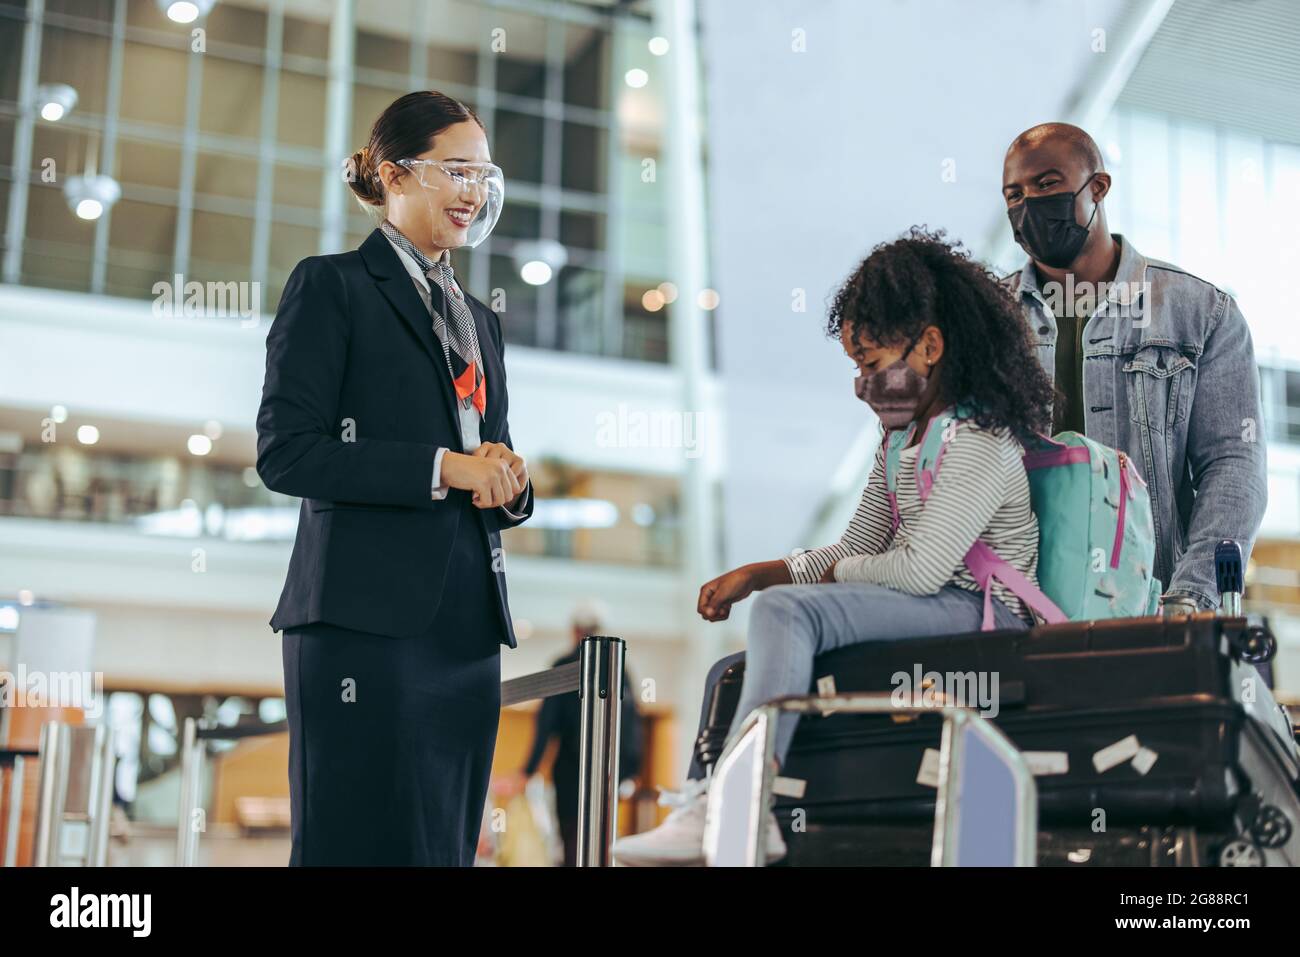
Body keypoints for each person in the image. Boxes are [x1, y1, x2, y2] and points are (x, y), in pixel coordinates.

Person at [612, 229, 1056, 866]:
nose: (863, 383)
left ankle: (739, 805)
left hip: (984, 614)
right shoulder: (902, 442)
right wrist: (765, 573)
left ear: (930, 346)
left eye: (872, 363)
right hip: (936, 605)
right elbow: (858, 546)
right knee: (729, 673)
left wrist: (796, 590)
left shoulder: (980, 440)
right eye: (857, 368)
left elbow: (921, 570)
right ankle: (711, 797)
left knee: (789, 614)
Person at [256, 91, 533, 866]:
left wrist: (509, 477)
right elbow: (288, 451)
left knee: (443, 850)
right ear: (394, 174)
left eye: (483, 175)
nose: (474, 193)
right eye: (457, 170)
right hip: (360, 626)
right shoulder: (332, 286)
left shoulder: (482, 321)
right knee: (356, 845)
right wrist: (444, 469)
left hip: (466, 628)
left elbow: (493, 446)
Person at [1000, 122, 1267, 616]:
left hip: (1151, 604)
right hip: (1011, 605)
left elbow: (1233, 466)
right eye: (1013, 194)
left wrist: (1191, 595)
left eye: (1047, 185)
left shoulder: (1199, 311)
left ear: (1097, 187)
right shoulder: (987, 319)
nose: (1028, 205)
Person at [500, 600, 644, 866]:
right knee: (600, 837)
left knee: (573, 839)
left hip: (575, 773)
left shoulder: (573, 666)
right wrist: (631, 769)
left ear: (574, 631)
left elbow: (546, 725)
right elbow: (631, 724)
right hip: (604, 772)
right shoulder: (616, 667)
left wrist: (528, 770)